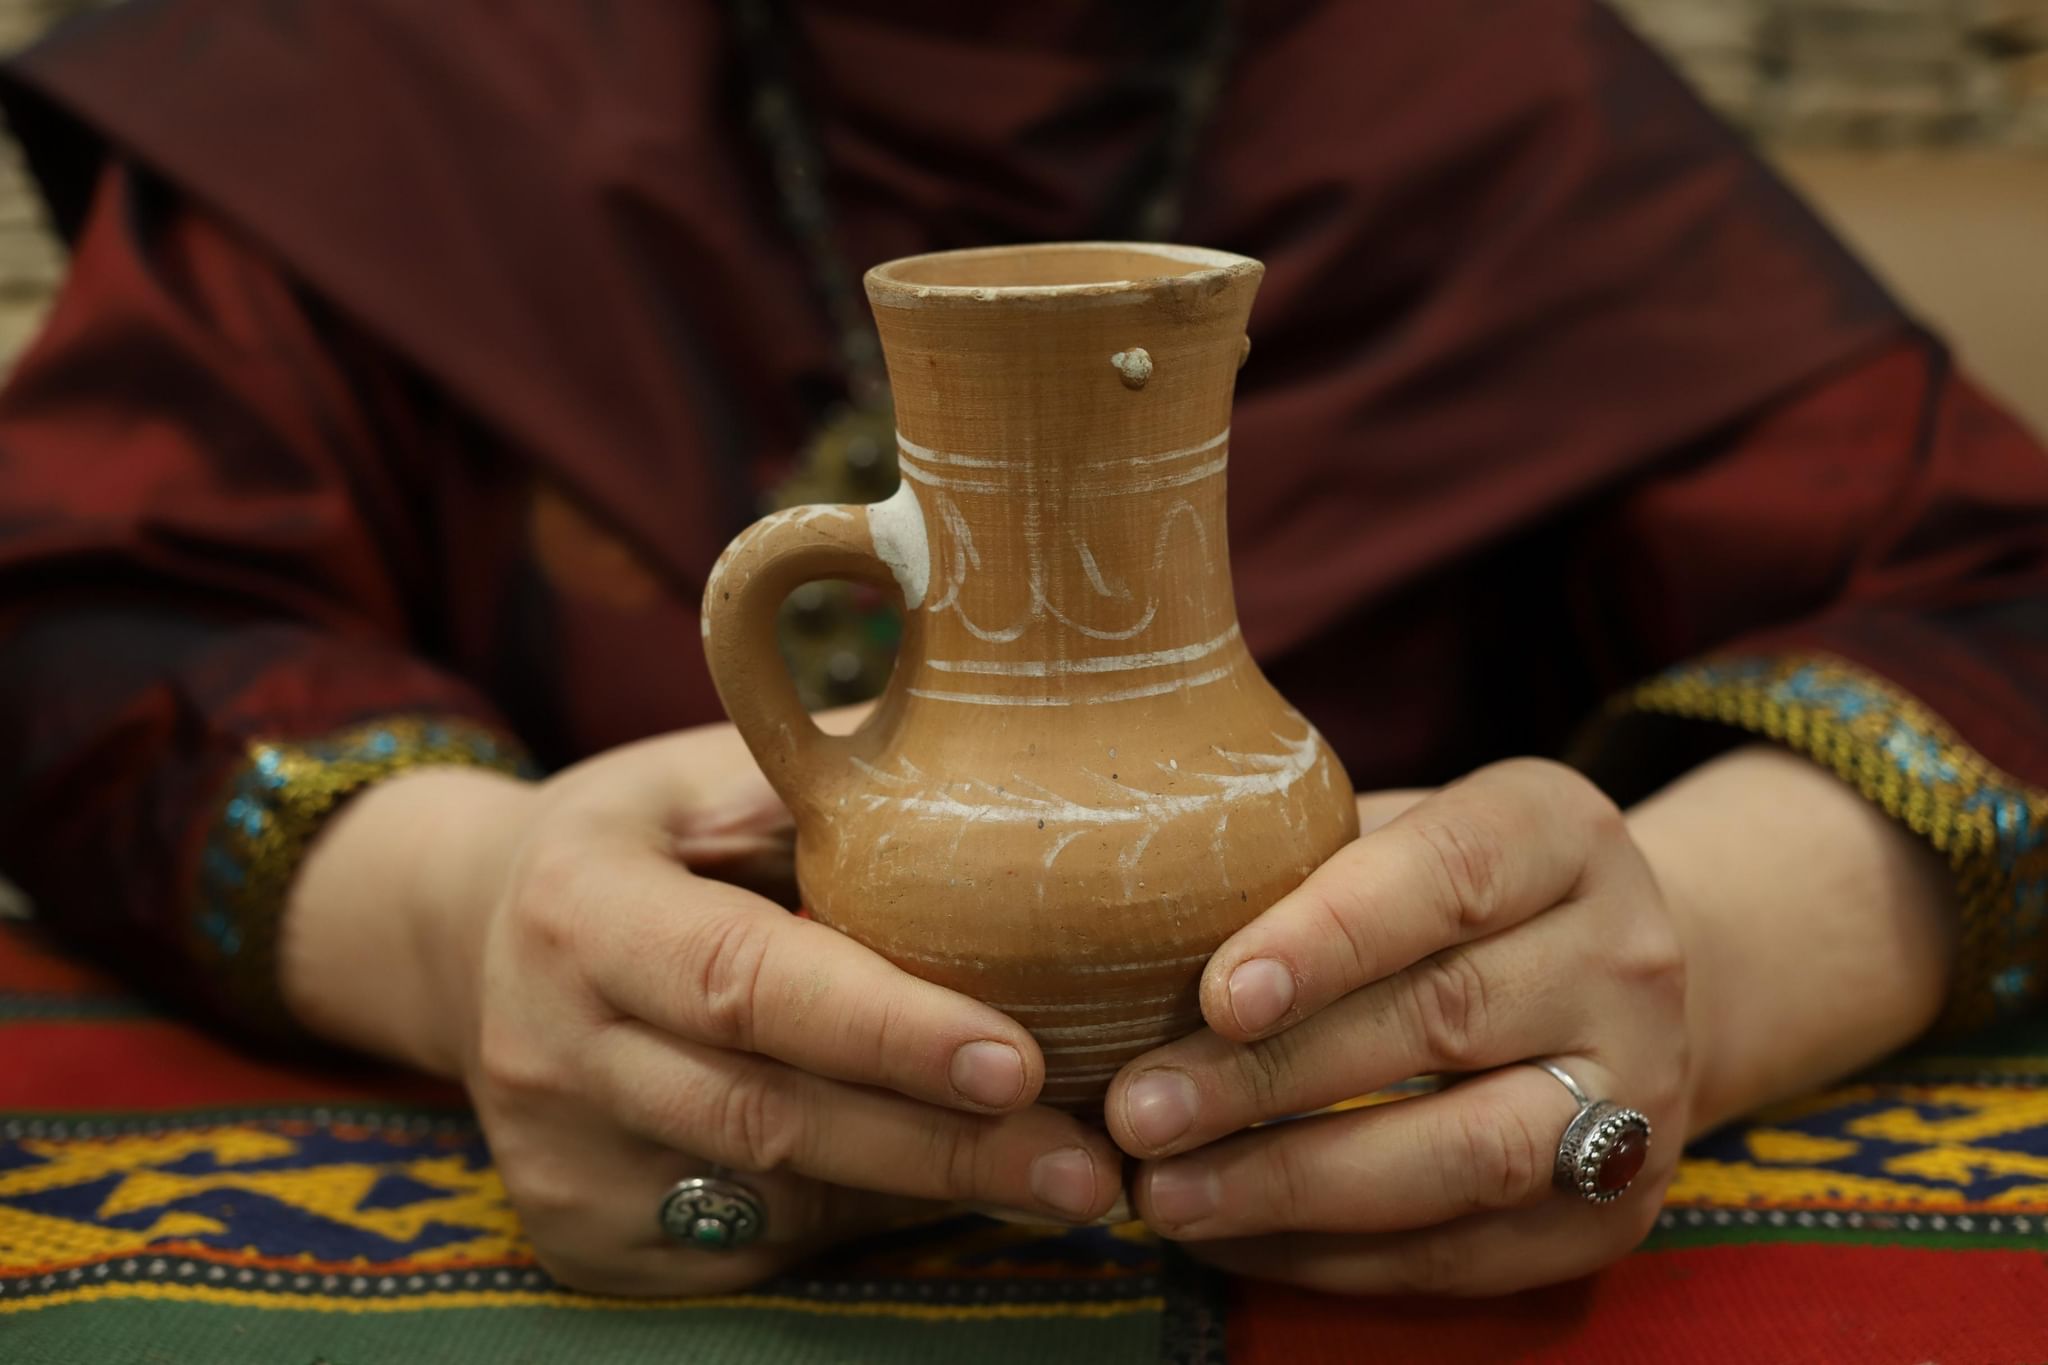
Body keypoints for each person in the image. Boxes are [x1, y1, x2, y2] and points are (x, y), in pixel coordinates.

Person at [0, 0, 2042, 1301]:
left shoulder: (1480, 94)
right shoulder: (375, 70)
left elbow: (2003, 598)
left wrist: (1705, 949)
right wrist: (454, 916)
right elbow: (86, 609)